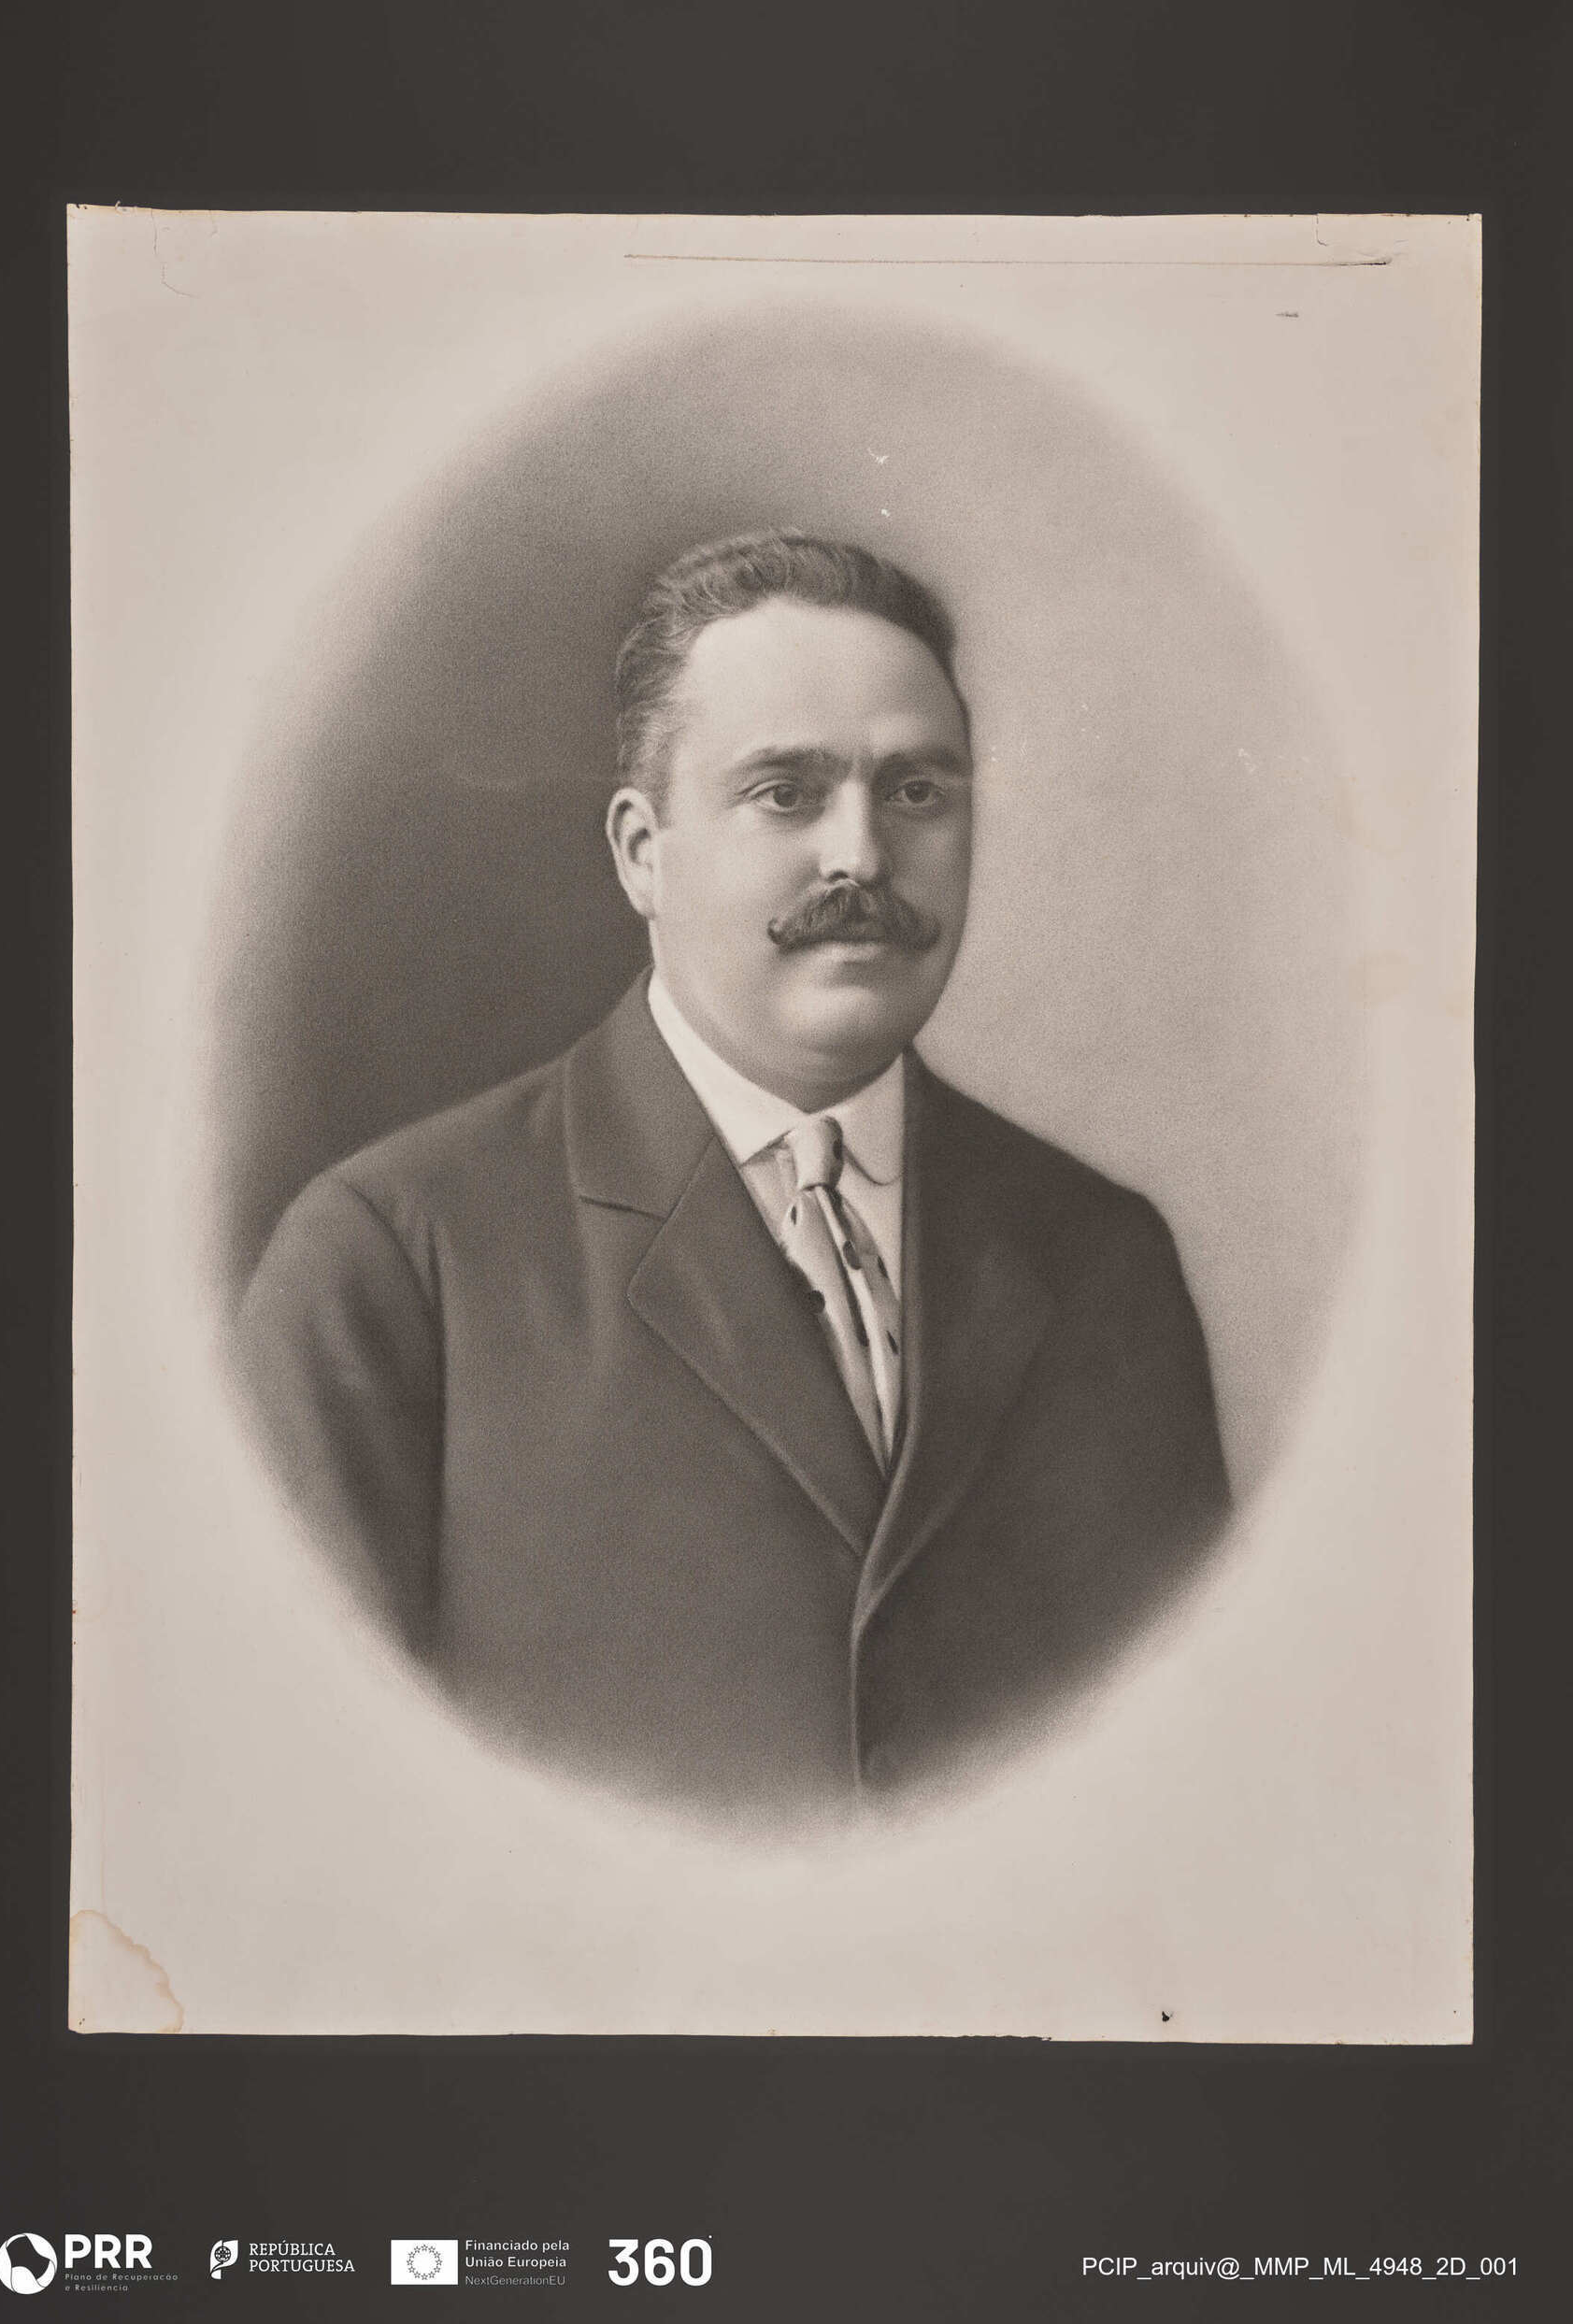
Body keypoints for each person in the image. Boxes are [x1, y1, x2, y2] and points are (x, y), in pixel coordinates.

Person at [236, 530, 1229, 1822]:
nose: (862, 857)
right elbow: (310, 1817)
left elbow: (1187, 1788)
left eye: (916, 791)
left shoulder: (1103, 1259)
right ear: (640, 851)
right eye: (785, 793)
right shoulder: (386, 1264)